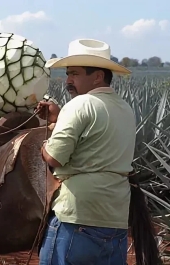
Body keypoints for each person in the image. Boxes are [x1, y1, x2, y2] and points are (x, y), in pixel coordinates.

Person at [36, 39, 136, 265]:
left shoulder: (80, 104)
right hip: (115, 218)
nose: (68, 80)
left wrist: (44, 142)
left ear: (98, 76)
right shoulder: (125, 109)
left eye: (75, 74)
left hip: (77, 217)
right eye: (68, 73)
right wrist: (58, 118)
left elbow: (54, 157)